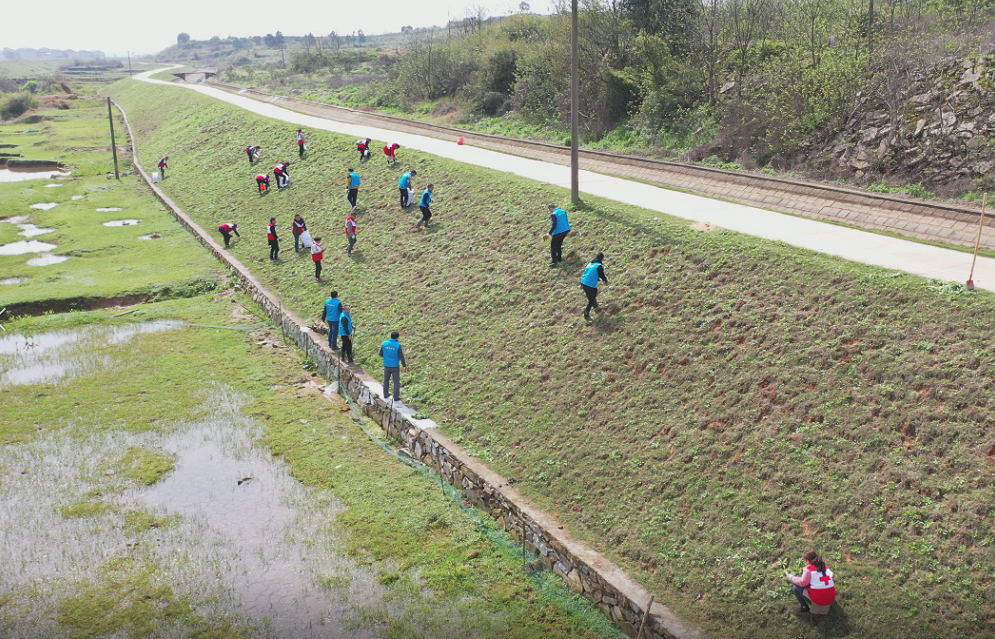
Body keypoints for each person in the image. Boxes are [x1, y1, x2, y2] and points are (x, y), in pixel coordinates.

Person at [379, 331, 407, 401]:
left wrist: (386, 357)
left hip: (386, 365)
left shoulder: (384, 343)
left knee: (386, 381)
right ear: (397, 337)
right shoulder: (398, 345)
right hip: (395, 366)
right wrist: (404, 366)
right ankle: (396, 397)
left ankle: (385, 395)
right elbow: (401, 357)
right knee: (396, 382)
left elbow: (380, 354)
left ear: (390, 336)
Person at [580, 253, 607, 320]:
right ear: (602, 259)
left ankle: (596, 307)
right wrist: (605, 281)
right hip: (588, 284)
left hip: (584, 282)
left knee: (594, 292)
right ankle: (586, 314)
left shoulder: (590, 264)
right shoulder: (599, 266)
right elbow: (601, 275)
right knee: (591, 300)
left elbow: (589, 273)